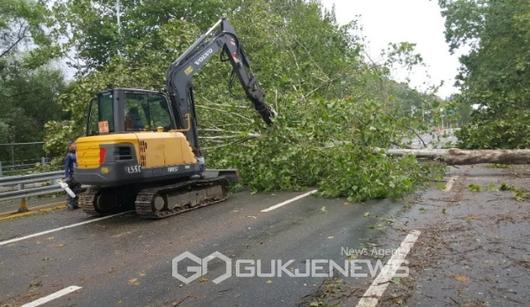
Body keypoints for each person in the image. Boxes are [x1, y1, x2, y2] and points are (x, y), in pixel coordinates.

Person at [64, 142, 81, 209]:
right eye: (73, 146)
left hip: (77, 174)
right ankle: (70, 203)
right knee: (71, 190)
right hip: (71, 175)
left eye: (75, 146)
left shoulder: (76, 154)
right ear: (69, 147)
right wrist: (67, 176)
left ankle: (75, 204)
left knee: (77, 190)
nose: (75, 147)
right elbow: (66, 167)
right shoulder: (69, 156)